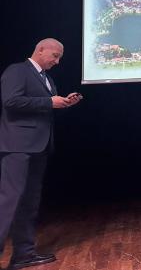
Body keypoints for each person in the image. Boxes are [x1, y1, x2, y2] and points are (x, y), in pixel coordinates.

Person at [0, 38, 82, 269]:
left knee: (29, 203)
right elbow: (11, 101)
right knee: (8, 203)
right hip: (18, 146)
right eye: (55, 56)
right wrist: (48, 102)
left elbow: (44, 107)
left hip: (39, 147)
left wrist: (64, 103)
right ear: (41, 50)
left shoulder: (46, 78)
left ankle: (23, 254)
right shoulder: (17, 70)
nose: (57, 62)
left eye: (59, 58)